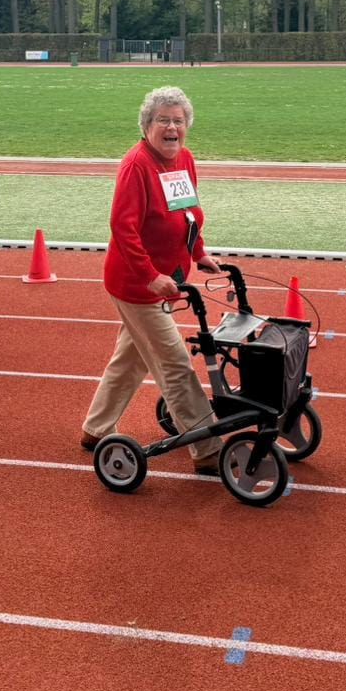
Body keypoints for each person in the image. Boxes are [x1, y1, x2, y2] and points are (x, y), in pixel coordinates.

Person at [81, 85, 224, 475]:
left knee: (130, 359)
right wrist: (150, 276)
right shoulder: (137, 166)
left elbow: (189, 213)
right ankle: (208, 449)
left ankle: (96, 428)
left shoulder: (184, 159)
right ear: (147, 126)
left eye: (178, 120)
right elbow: (123, 228)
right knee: (174, 364)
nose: (172, 128)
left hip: (168, 279)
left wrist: (199, 252)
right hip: (136, 285)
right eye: (163, 120)